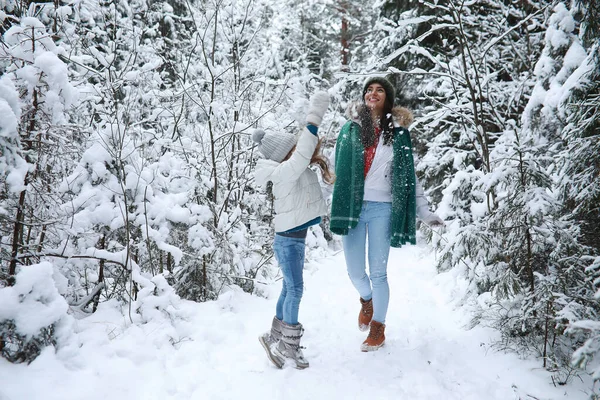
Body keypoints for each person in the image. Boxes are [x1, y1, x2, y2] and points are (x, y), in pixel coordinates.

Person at [330, 76, 444, 352]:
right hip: (352, 209)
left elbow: (408, 178)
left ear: (387, 99)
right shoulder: (350, 129)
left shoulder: (399, 134)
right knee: (355, 271)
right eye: (369, 90)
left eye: (379, 90)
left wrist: (425, 213)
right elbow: (338, 171)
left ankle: (378, 329)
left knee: (378, 273)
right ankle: (366, 301)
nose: (373, 93)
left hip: (382, 208)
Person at [254, 91, 334, 369]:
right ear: (284, 156)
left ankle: (275, 335)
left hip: (290, 240)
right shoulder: (284, 172)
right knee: (296, 289)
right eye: (292, 150)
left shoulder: (287, 171)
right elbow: (301, 155)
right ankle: (288, 346)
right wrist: (314, 117)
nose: (298, 153)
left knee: (290, 287)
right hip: (288, 242)